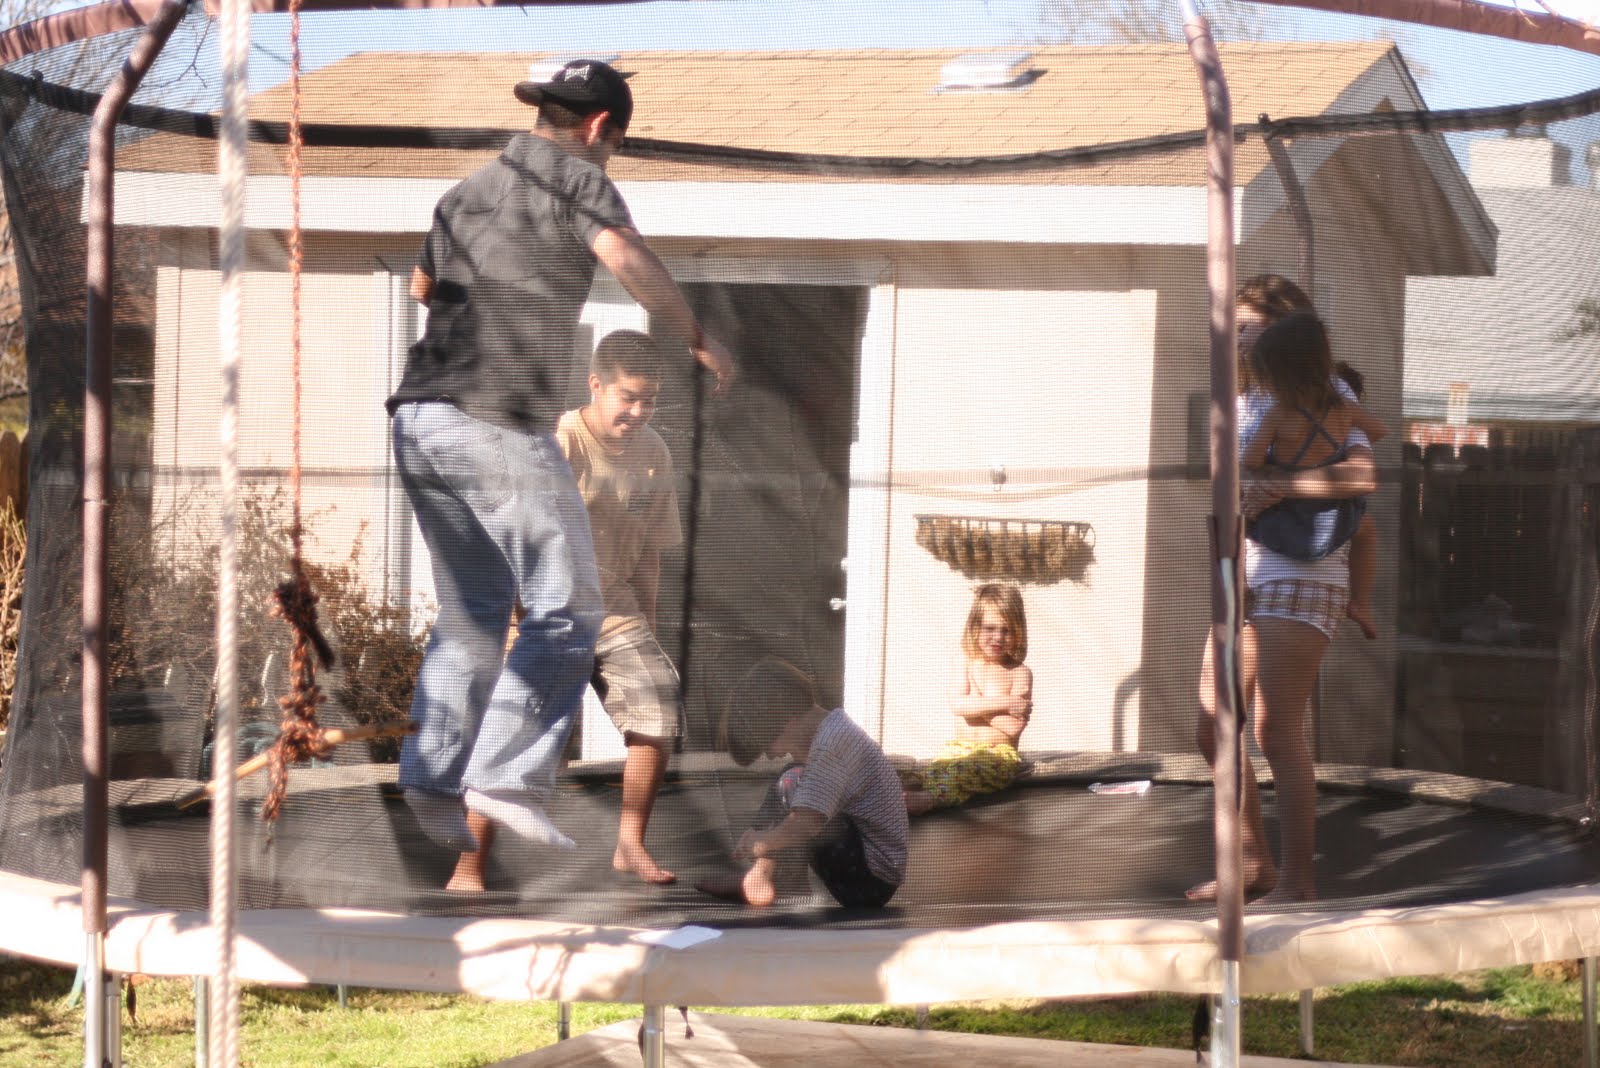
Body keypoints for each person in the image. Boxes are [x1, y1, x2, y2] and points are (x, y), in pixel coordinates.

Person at [385, 59, 735, 858]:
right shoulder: (578, 177)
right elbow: (626, 259)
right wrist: (696, 337)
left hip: (420, 420)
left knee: (475, 612)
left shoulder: (469, 188)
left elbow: (420, 286)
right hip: (495, 420)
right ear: (600, 127)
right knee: (571, 608)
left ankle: (432, 780)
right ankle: (505, 778)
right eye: (616, 142)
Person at [447, 330, 686, 890]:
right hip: (546, 611)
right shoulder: (558, 443)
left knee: (658, 704)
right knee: (511, 733)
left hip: (615, 610)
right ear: (596, 386)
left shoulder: (655, 454)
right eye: (628, 398)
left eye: (649, 401)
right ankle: (468, 866)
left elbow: (650, 550)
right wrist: (513, 621)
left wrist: (648, 621)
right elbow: (507, 536)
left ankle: (630, 844)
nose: (638, 412)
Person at [1188, 274, 1377, 907]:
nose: (1241, 338)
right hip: (1243, 578)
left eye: (1254, 327)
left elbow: (1362, 474)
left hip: (1302, 576)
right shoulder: (1240, 399)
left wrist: (1284, 487)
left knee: (1274, 729)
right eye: (1236, 326)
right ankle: (1253, 863)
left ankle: (1298, 882)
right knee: (1213, 723)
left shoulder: (1323, 391)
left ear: (1287, 330)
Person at [696, 657, 909, 909]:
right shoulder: (834, 726)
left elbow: (806, 824)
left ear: (789, 722)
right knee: (793, 777)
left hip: (870, 880)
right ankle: (766, 877)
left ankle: (767, 877)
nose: (771, 755)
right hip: (868, 867)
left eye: (768, 745)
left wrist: (762, 843)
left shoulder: (831, 747)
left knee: (792, 783)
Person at [903, 583, 1032, 816]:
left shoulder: (1019, 672)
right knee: (933, 772)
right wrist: (1005, 702)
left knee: (963, 770)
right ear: (975, 627)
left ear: (1018, 633)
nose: (998, 637)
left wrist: (974, 701)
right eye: (990, 628)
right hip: (958, 749)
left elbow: (1012, 728)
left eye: (1007, 630)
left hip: (999, 756)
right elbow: (957, 705)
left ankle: (928, 801)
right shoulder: (964, 660)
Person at [1333, 361, 1382, 639]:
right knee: (1367, 530)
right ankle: (1360, 602)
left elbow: (1377, 430)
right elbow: (1378, 430)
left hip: (1337, 493)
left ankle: (1361, 602)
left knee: (1366, 528)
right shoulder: (1336, 412)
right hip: (1332, 498)